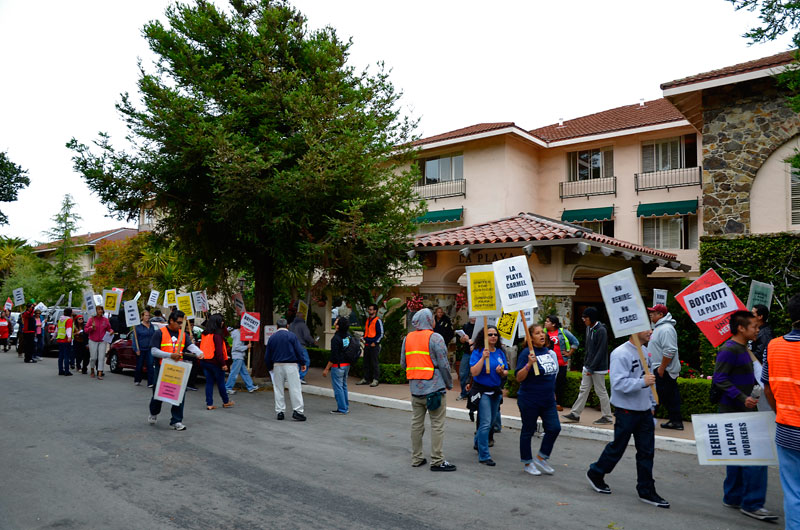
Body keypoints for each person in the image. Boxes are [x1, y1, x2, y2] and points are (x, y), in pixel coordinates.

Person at [586, 329, 669, 508]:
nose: (651, 331)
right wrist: (642, 382)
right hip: (626, 412)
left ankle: (646, 490)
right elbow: (618, 383)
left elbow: (650, 382)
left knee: (647, 452)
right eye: (647, 328)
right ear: (635, 329)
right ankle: (596, 472)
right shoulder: (620, 353)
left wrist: (652, 404)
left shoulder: (646, 352)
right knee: (618, 447)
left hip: (645, 411)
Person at [712, 310, 778, 522]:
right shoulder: (729, 349)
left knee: (738, 456)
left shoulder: (742, 348)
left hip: (742, 409)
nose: (758, 329)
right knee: (756, 457)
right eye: (754, 326)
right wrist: (742, 398)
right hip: (735, 410)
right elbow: (719, 379)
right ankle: (752, 504)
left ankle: (733, 497)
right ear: (741, 328)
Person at [401, 308, 456, 471]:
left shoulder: (407, 338)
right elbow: (445, 365)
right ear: (428, 320)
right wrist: (449, 383)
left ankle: (417, 458)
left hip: (415, 390)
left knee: (416, 424)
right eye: (432, 317)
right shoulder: (435, 338)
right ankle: (437, 460)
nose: (433, 320)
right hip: (434, 389)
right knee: (437, 424)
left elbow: (403, 364)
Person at [763, 293, 800, 529]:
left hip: (786, 429)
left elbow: (768, 388)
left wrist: (782, 411)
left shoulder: (773, 345)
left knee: (793, 492)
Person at [516, 323, 562, 476]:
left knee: (555, 428)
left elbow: (552, 375)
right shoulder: (526, 353)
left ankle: (541, 457)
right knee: (528, 430)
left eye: (543, 332)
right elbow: (518, 377)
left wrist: (553, 392)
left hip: (548, 400)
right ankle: (527, 462)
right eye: (537, 333)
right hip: (530, 399)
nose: (542, 335)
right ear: (531, 337)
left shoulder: (549, 352)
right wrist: (529, 364)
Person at [148, 310, 204, 430]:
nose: (180, 325)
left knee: (179, 394)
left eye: (182, 323)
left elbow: (190, 345)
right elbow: (154, 351)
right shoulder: (159, 333)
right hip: (162, 367)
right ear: (171, 321)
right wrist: (170, 355)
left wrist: (199, 352)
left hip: (178, 368)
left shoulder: (183, 334)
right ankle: (154, 412)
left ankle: (176, 420)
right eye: (178, 322)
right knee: (158, 393)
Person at [563, 307, 612, 424]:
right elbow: (589, 349)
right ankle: (575, 413)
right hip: (589, 366)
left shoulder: (601, 331)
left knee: (601, 391)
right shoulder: (589, 328)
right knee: (583, 390)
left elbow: (600, 351)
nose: (583, 320)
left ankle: (607, 417)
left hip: (598, 368)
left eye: (585, 317)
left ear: (592, 318)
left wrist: (592, 367)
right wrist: (586, 364)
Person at [469, 325, 509, 467]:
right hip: (482, 392)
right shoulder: (478, 352)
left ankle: (476, 442)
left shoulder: (499, 353)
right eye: (490, 334)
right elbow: (474, 372)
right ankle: (484, 455)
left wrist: (501, 372)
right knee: (485, 423)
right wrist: (483, 358)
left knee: (492, 422)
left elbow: (506, 372)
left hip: (495, 391)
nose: (493, 337)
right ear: (484, 337)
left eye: (495, 335)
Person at [647, 304, 683, 430]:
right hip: (662, 368)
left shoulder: (666, 329)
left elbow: (670, 350)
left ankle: (647, 420)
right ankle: (676, 421)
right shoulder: (660, 328)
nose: (651, 314)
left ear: (661, 315)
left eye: (653, 312)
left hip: (663, 369)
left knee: (657, 395)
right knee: (670, 396)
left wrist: (662, 368)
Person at [264, 318, 307, 421]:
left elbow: (267, 355)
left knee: (278, 389)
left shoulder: (272, 338)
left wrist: (270, 367)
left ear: (277, 326)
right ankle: (298, 411)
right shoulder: (292, 336)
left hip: (277, 365)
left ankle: (280, 411)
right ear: (287, 326)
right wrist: (303, 362)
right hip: (291, 365)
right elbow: (298, 350)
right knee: (295, 388)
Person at [198, 314, 233, 410]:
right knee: (221, 383)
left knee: (209, 382)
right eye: (221, 321)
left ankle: (209, 404)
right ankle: (226, 401)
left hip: (204, 361)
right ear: (217, 322)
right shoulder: (217, 336)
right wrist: (223, 364)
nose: (223, 322)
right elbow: (219, 352)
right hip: (215, 362)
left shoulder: (205, 334)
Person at [544, 315, 579, 411]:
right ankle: (549, 403)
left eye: (547, 321)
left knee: (559, 384)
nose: (545, 323)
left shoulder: (563, 332)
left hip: (561, 362)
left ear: (553, 324)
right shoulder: (543, 332)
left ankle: (558, 403)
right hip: (548, 363)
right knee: (549, 384)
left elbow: (575, 342)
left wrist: (568, 353)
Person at [323, 317, 353, 414]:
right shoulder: (348, 336)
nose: (335, 323)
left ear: (338, 326)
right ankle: (345, 406)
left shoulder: (335, 339)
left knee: (338, 387)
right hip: (347, 364)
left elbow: (334, 356)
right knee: (343, 385)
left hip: (338, 365)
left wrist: (327, 369)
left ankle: (342, 408)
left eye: (336, 322)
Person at [225, 325, 258, 394]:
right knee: (234, 373)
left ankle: (250, 386)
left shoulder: (237, 333)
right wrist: (246, 346)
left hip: (239, 356)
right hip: (238, 356)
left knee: (244, 372)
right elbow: (237, 347)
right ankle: (228, 387)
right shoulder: (238, 334)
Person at [358, 303, 383, 387]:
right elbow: (367, 332)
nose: (370, 311)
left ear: (375, 311)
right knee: (366, 363)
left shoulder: (378, 320)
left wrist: (375, 342)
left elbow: (381, 334)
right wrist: (363, 337)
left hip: (374, 345)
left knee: (374, 363)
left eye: (371, 309)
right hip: (367, 344)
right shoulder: (368, 320)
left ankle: (375, 379)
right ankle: (366, 379)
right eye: (369, 309)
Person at [288, 312, 315, 384]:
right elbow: (307, 336)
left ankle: (294, 377)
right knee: (306, 361)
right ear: (302, 317)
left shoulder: (291, 325)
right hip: (300, 345)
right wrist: (313, 341)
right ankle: (300, 377)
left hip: (291, 345)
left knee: (295, 362)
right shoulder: (303, 325)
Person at [87, 306, 113, 379]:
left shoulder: (105, 320)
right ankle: (92, 369)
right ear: (95, 311)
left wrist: (111, 331)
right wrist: (91, 327)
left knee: (101, 357)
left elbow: (109, 328)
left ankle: (100, 373)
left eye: (101, 309)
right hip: (92, 340)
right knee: (93, 358)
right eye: (98, 309)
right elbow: (86, 329)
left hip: (102, 341)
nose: (100, 311)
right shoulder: (91, 319)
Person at [133, 309, 157, 387]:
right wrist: (136, 349)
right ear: (142, 316)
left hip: (149, 348)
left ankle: (150, 382)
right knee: (139, 365)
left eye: (148, 315)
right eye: (146, 315)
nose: (147, 317)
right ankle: (137, 380)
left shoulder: (152, 326)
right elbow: (134, 339)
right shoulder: (138, 327)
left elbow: (154, 336)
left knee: (150, 365)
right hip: (141, 348)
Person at [456, 317, 476, 400]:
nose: (473, 318)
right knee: (463, 373)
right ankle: (464, 393)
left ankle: (473, 393)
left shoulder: (480, 327)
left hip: (476, 353)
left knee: (474, 374)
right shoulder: (465, 326)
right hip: (467, 353)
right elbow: (461, 341)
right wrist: (463, 339)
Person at [56, 308, 74, 376]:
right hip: (66, 339)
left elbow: (57, 329)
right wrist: (69, 337)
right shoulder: (69, 320)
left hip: (60, 339)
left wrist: (53, 336)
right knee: (66, 356)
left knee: (61, 356)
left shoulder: (60, 320)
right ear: (70, 313)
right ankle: (67, 371)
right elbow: (68, 329)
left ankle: (60, 370)